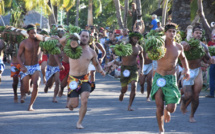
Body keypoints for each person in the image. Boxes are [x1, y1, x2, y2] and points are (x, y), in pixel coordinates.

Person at [57, 31, 105, 129]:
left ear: (89, 39)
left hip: (85, 78)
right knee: (74, 104)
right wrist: (70, 35)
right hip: (73, 79)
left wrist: (101, 70)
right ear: (79, 37)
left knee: (85, 100)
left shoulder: (91, 52)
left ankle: (79, 122)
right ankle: (70, 104)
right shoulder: (72, 47)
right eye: (82, 36)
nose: (84, 38)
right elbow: (61, 41)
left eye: (86, 36)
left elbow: (96, 64)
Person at [150, 23, 190, 133]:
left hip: (171, 78)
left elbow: (183, 58)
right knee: (159, 106)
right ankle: (161, 130)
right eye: (170, 31)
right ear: (165, 32)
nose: (172, 33)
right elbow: (149, 53)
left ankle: (166, 110)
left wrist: (187, 69)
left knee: (172, 108)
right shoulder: (159, 45)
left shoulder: (178, 47)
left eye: (174, 31)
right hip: (159, 77)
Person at [181, 23, 215, 122]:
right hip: (187, 71)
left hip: (197, 71)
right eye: (196, 33)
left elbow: (207, 59)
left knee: (196, 96)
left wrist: (211, 60)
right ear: (192, 34)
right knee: (188, 95)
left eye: (200, 33)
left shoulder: (204, 47)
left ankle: (192, 115)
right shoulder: (186, 43)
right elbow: (181, 46)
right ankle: (183, 101)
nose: (198, 35)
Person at [17, 24, 42, 111]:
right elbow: (18, 56)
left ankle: (30, 105)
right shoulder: (23, 43)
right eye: (32, 33)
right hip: (26, 67)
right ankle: (26, 92)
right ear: (28, 33)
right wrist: (22, 66)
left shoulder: (39, 41)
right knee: (26, 89)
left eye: (35, 33)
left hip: (35, 67)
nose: (34, 35)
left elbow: (47, 41)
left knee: (36, 85)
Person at [119, 32, 144, 111]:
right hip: (125, 68)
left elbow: (142, 58)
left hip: (134, 68)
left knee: (134, 85)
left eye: (137, 38)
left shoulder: (139, 48)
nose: (136, 40)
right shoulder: (125, 46)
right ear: (131, 38)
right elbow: (117, 52)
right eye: (134, 38)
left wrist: (141, 69)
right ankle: (122, 93)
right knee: (124, 88)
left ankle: (129, 106)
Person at [205, 33, 215, 98]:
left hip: (213, 62)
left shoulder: (210, 47)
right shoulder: (209, 44)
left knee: (212, 78)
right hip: (212, 62)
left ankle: (211, 94)